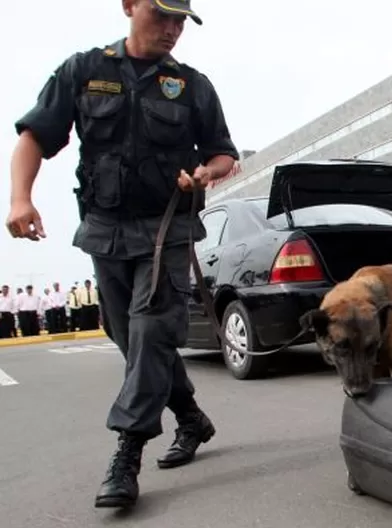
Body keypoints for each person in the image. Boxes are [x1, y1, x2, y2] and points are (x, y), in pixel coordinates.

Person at [5, 0, 238, 509]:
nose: (173, 29)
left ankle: (127, 452)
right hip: (103, 230)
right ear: (129, 6)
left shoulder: (193, 85)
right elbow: (34, 137)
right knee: (130, 338)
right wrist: (20, 198)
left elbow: (224, 152)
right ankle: (193, 419)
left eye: (182, 21)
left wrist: (205, 173)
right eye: (162, 16)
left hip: (166, 229)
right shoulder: (84, 70)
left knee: (152, 329)